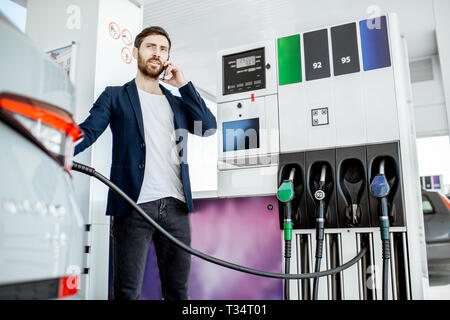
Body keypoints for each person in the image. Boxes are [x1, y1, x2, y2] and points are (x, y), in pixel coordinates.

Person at [74, 26, 217, 300]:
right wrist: (57, 151)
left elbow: (208, 127)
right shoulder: (115, 96)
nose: (157, 53)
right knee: (127, 292)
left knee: (178, 291)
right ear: (136, 52)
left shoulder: (177, 103)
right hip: (132, 206)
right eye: (151, 46)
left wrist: (184, 85)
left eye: (163, 49)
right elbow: (88, 131)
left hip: (175, 208)